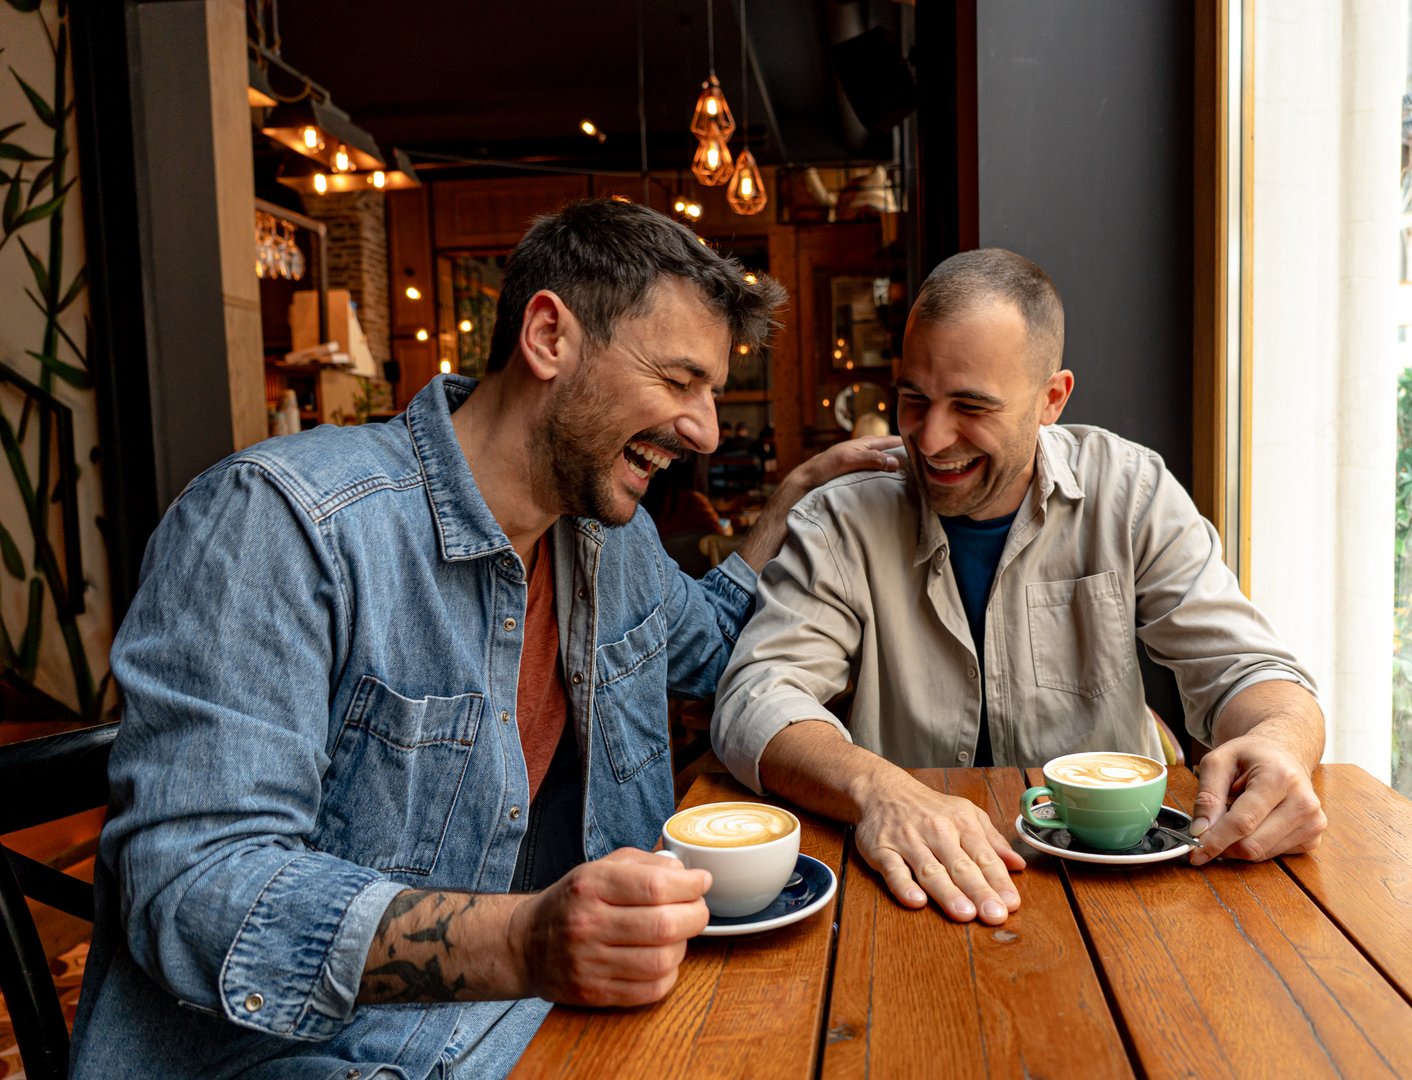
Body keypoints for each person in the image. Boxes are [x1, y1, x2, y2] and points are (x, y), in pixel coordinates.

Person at [70, 199, 898, 1078]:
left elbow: (717, 646)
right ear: (549, 337)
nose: (704, 431)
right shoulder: (281, 522)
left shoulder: (609, 541)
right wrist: (526, 943)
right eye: (679, 381)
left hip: (532, 1030)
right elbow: (194, 888)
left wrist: (799, 499)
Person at [712, 248, 1326, 928]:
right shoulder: (840, 521)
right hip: (915, 887)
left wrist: (1283, 743)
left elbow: (1248, 669)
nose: (931, 437)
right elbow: (754, 699)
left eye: (971, 406)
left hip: (1120, 891)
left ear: (1051, 400)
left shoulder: (1132, 493)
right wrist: (880, 790)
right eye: (914, 398)